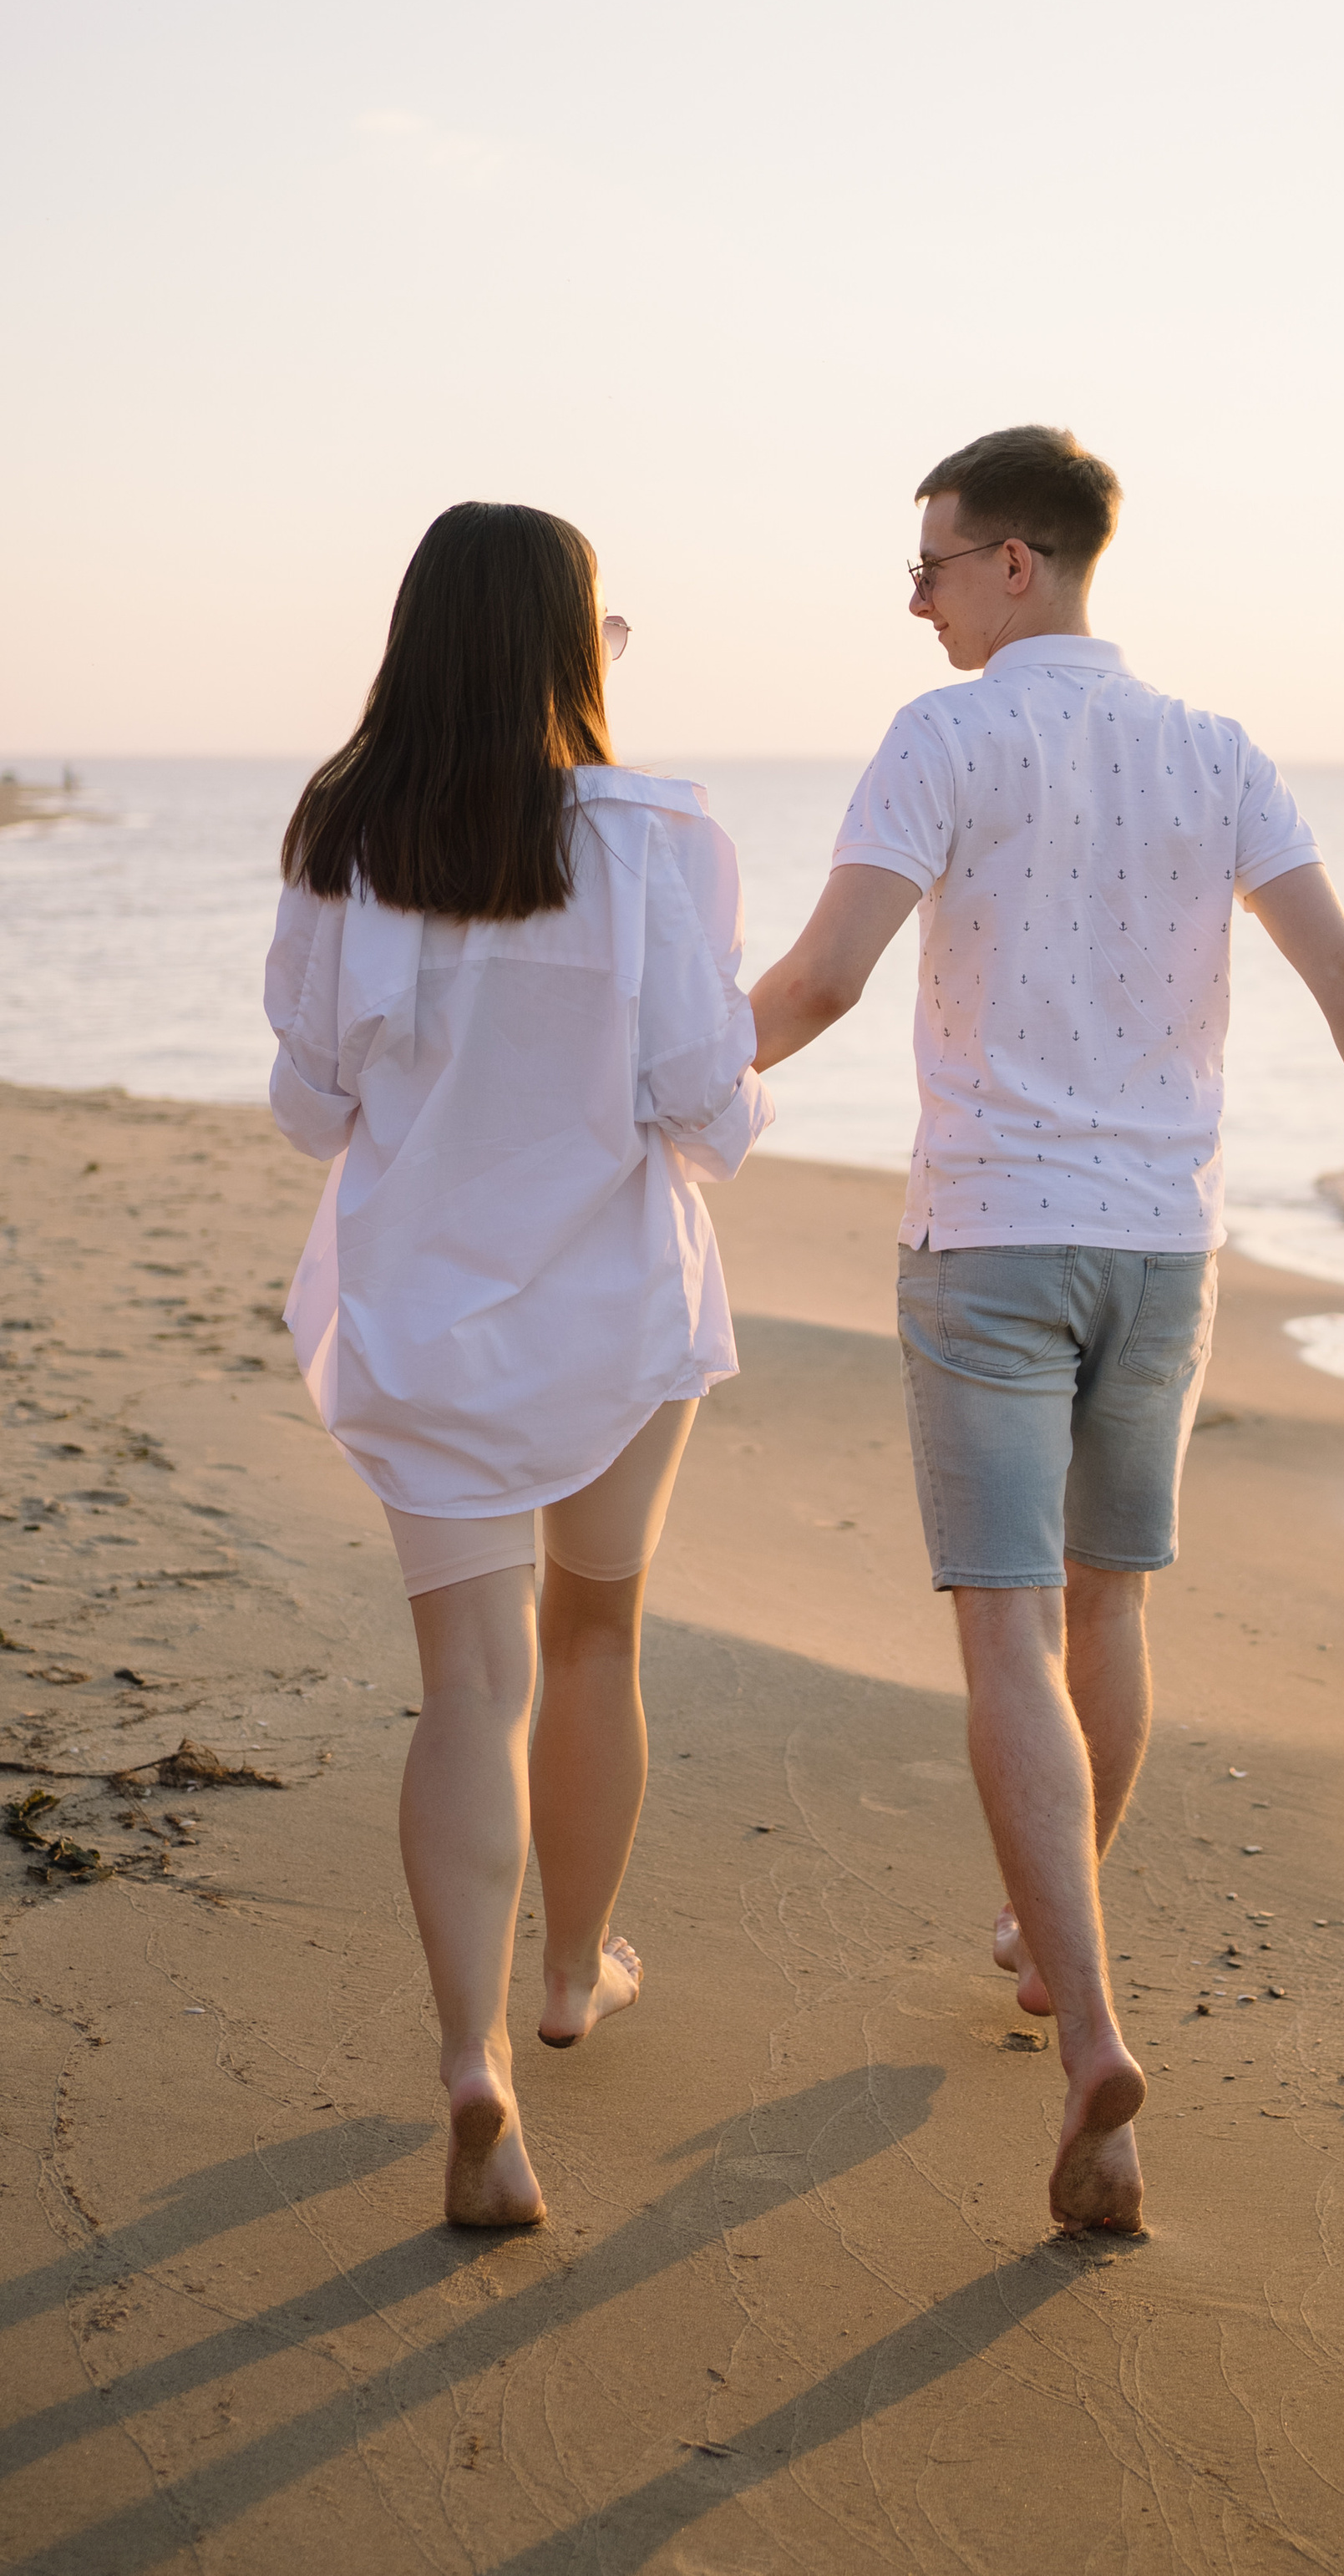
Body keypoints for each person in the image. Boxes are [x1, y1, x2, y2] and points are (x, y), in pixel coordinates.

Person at [748, 427, 1344, 2235]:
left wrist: (653, 1080)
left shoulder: (947, 736)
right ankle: (1048, 1948)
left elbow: (825, 979)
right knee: (1108, 1605)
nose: (908, 597)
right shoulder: (1214, 750)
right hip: (1161, 1246)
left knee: (1004, 1636)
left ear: (1018, 562)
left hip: (991, 1236)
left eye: (927, 562)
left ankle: (1093, 2050)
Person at [265, 502, 768, 2229]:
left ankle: (470, 2063)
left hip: (420, 1319)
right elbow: (710, 1105)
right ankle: (570, 1977)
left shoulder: (346, 829)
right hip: (612, 1311)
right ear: (575, 643)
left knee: (467, 1687)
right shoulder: (658, 839)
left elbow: (312, 1101)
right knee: (598, 1624)